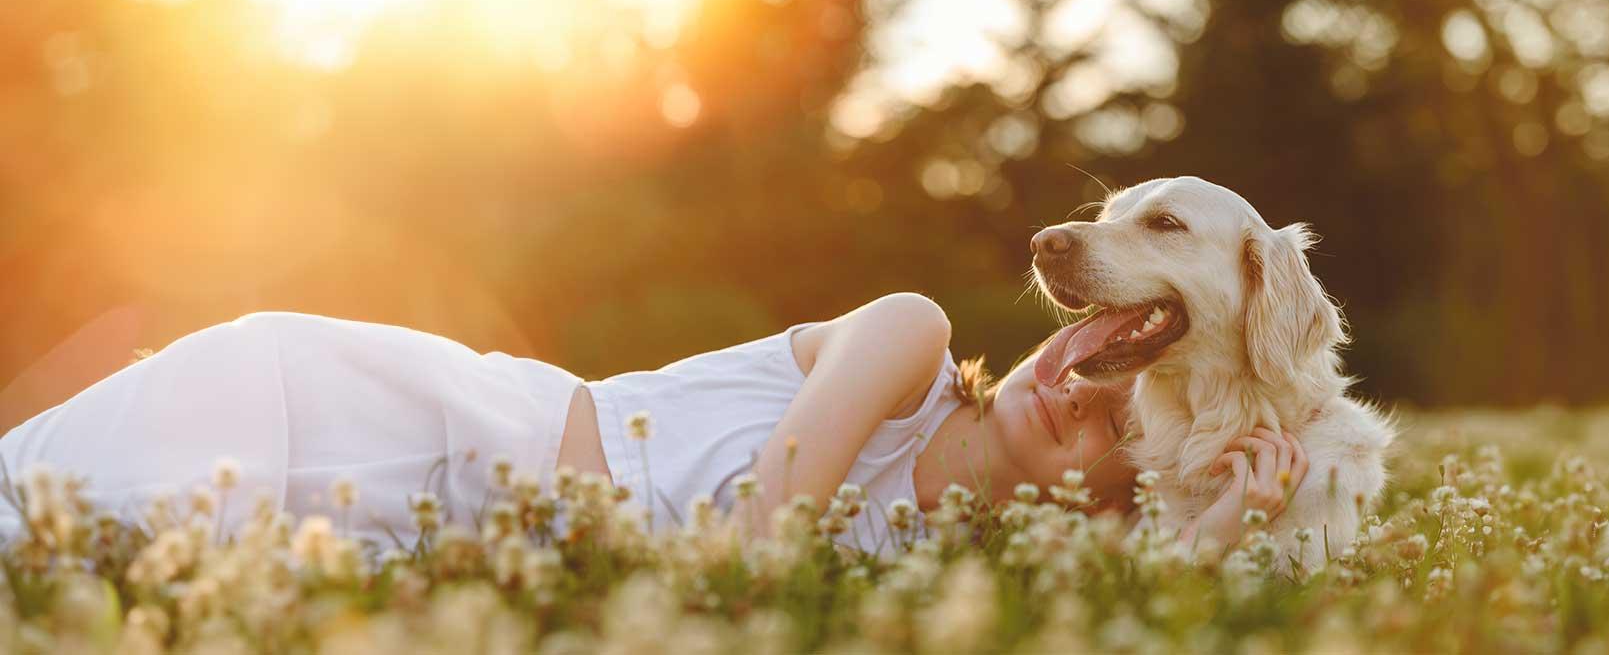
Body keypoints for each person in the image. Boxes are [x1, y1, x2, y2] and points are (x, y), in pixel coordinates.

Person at [0, 293, 1305, 553]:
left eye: (1108, 420)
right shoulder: (907, 341)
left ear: (1117, 497)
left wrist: (1222, 519)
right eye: (1086, 355)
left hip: (395, 551)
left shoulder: (950, 577)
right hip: (359, 416)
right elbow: (764, 518)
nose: (1065, 385)